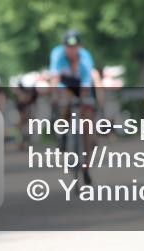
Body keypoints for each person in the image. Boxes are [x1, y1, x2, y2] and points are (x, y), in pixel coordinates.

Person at [49, 29, 102, 185]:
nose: (72, 50)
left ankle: (86, 168)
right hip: (64, 85)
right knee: (64, 102)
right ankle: (62, 133)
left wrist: (87, 102)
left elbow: (86, 84)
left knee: (87, 126)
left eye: (75, 47)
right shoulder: (57, 55)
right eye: (68, 47)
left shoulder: (85, 58)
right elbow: (55, 80)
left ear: (80, 47)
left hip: (82, 87)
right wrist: (58, 96)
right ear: (64, 46)